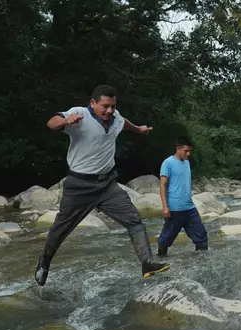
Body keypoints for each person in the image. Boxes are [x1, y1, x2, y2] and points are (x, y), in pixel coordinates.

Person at [33, 84, 170, 286]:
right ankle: (44, 262)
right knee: (60, 229)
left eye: (113, 106)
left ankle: (147, 263)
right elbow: (51, 123)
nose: (109, 111)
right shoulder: (79, 114)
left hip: (107, 186)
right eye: (105, 106)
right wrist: (64, 121)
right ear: (93, 103)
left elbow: (123, 123)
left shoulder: (115, 118)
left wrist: (139, 129)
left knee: (134, 220)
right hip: (79, 185)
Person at [156, 136, 209, 256]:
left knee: (201, 237)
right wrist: (165, 207)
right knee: (165, 240)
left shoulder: (187, 163)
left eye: (190, 151)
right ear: (178, 149)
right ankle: (159, 260)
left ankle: (201, 264)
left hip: (189, 208)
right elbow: (163, 185)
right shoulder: (168, 163)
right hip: (175, 209)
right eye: (186, 151)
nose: (188, 153)